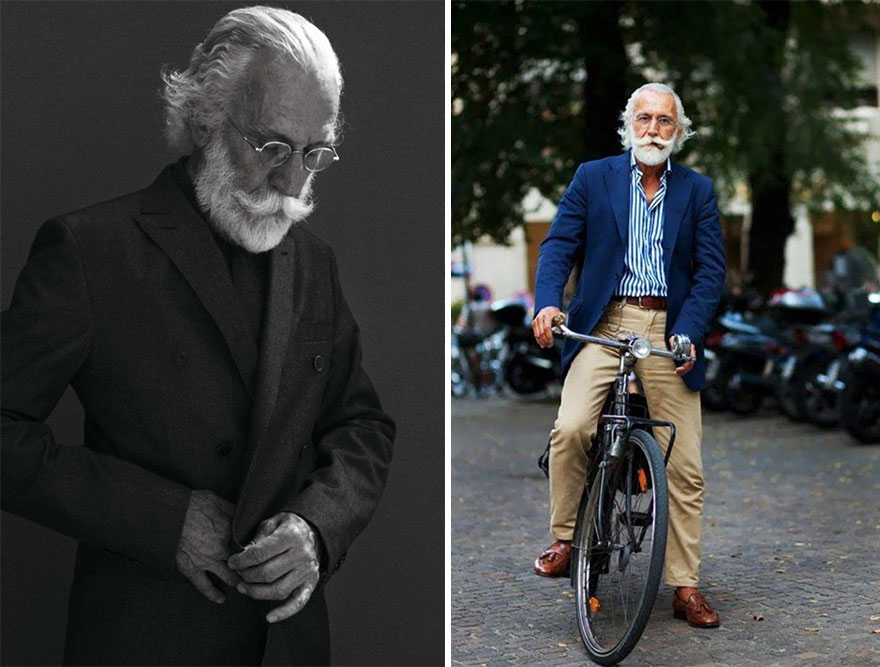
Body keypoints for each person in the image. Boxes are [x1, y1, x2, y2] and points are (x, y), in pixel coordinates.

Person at [1, 6, 394, 665]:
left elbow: (362, 425)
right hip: (146, 639)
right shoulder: (88, 248)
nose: (295, 183)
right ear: (207, 117)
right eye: (271, 146)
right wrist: (161, 519)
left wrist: (316, 529)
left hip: (286, 646)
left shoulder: (314, 262)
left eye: (315, 152)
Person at [531, 83, 725, 629]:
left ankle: (684, 586)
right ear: (628, 125)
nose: (653, 130)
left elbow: (710, 273)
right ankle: (567, 537)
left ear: (678, 132)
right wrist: (548, 304)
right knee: (571, 429)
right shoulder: (593, 177)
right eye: (644, 118)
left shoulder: (698, 191)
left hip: (667, 329)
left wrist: (688, 332)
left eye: (665, 121)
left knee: (685, 465)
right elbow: (559, 247)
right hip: (605, 322)